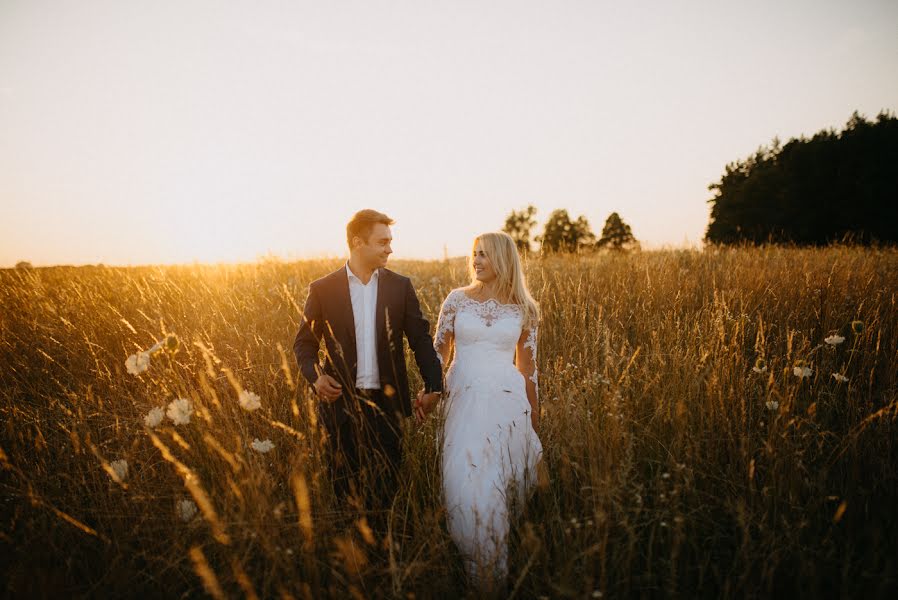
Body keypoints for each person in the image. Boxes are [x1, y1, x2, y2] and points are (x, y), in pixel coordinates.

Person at [293, 209, 443, 517]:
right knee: (343, 499)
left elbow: (421, 341)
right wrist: (316, 377)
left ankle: (384, 560)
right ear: (358, 242)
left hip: (388, 410)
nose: (390, 248)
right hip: (340, 410)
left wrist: (434, 386)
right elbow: (305, 344)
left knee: (387, 498)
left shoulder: (400, 287)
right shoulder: (322, 289)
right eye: (383, 242)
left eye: (390, 241)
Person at [421, 231, 543, 589]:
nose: (476, 260)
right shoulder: (456, 301)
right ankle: (474, 560)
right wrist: (430, 392)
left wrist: (533, 419)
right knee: (463, 474)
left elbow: (529, 369)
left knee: (496, 479)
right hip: (463, 397)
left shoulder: (525, 309)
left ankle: (493, 567)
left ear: (504, 259)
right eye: (474, 253)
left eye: (485, 255)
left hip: (507, 401)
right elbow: (438, 353)